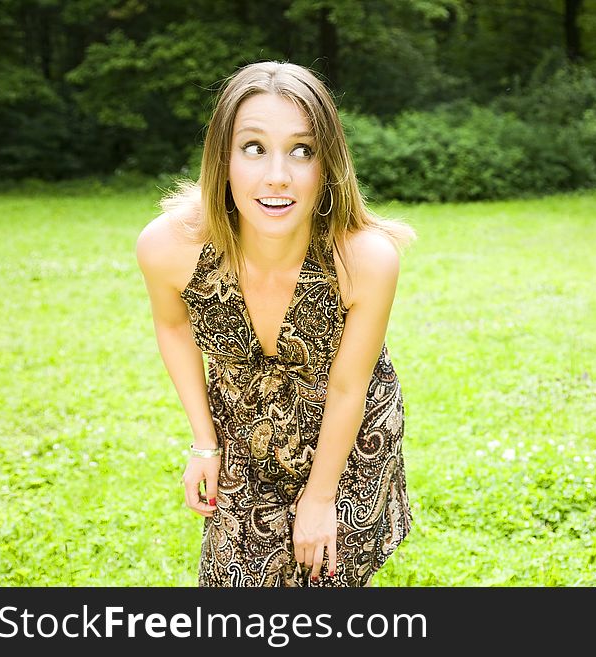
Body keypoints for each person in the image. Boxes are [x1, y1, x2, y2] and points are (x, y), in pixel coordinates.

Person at [136, 60, 415, 587]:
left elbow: (349, 386)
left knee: (324, 580)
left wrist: (321, 496)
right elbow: (173, 329)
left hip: (348, 438)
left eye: (302, 150)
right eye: (254, 148)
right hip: (244, 433)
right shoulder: (167, 247)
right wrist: (204, 442)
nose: (278, 175)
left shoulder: (366, 260)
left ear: (326, 163)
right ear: (223, 157)